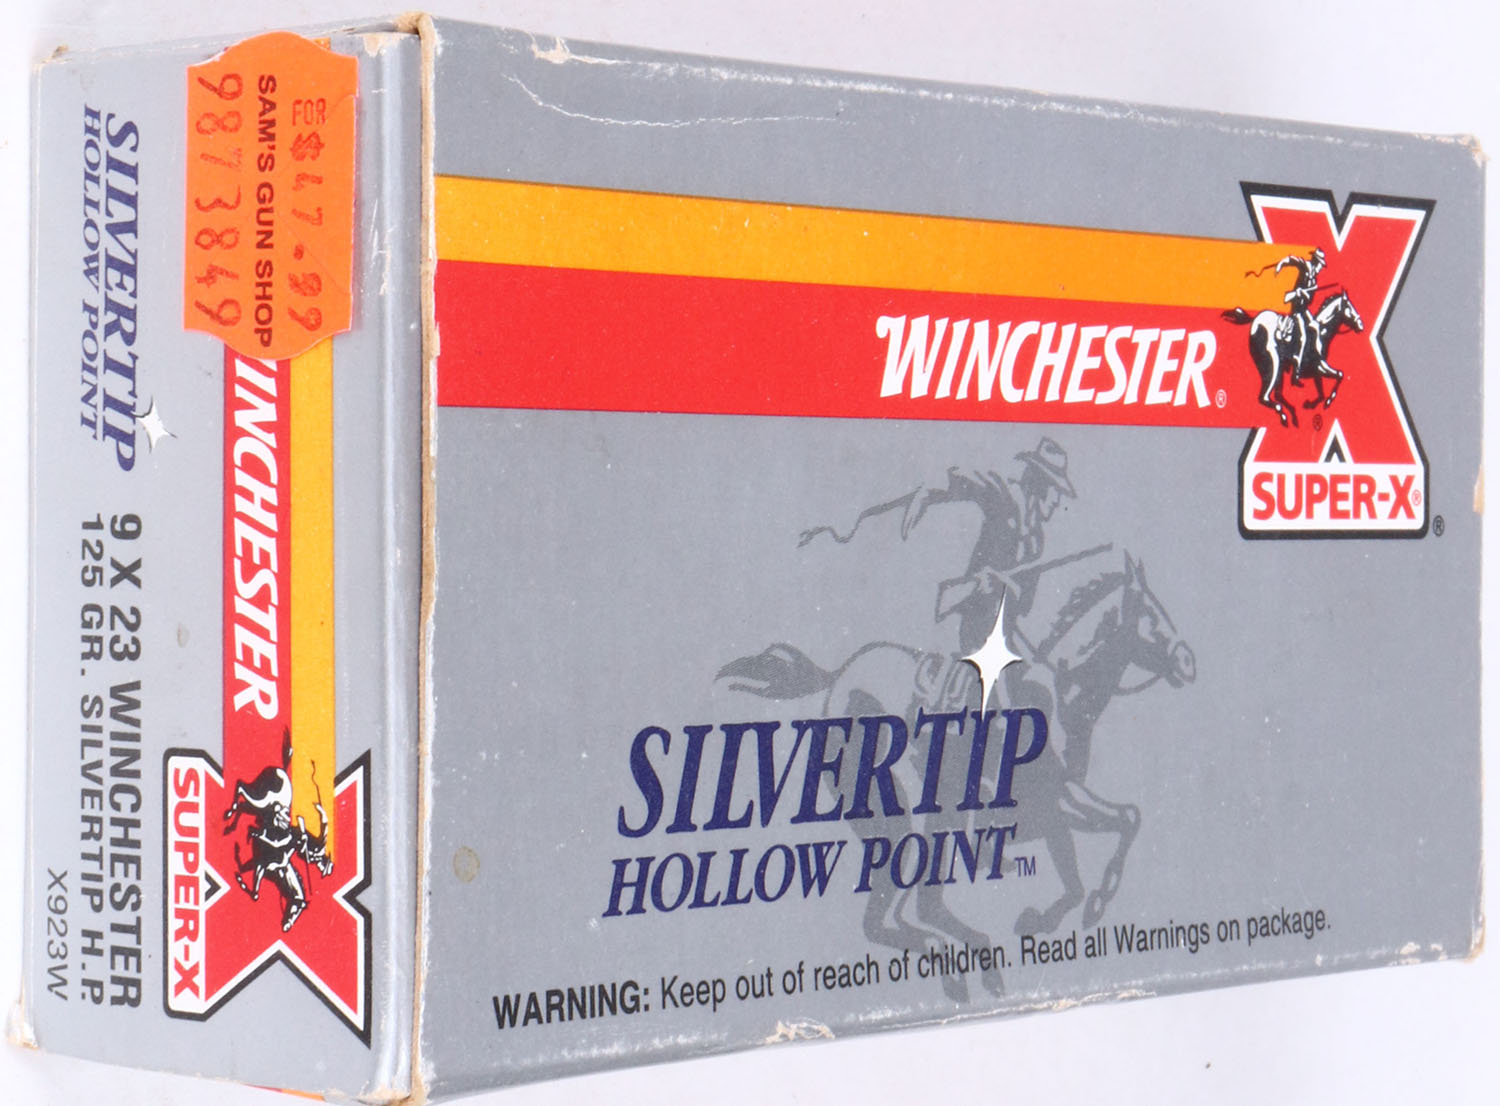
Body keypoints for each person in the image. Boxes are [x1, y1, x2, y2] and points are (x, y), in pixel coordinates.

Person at [800, 438, 1076, 653]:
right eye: (1055, 490)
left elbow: (1025, 604)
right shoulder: (1004, 497)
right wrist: (926, 495)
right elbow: (959, 479)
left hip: (1003, 627)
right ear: (1039, 484)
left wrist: (1005, 585)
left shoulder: (1036, 540)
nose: (1057, 501)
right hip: (968, 611)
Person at [1275, 246, 1326, 382]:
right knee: (1302, 336)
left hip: (1304, 309)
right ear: (1316, 261)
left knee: (1315, 326)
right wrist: (1282, 263)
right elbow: (1294, 260)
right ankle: (1296, 372)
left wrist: (1307, 294)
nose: (1321, 268)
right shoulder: (1306, 267)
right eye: (1320, 264)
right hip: (1296, 309)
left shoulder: (1314, 280)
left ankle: (1315, 358)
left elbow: (1310, 300)